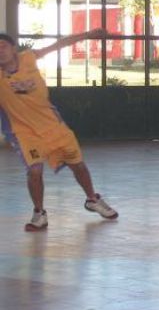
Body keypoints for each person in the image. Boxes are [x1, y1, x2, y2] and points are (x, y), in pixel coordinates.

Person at [0, 29, 119, 232]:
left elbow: (60, 44)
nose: (0, 51)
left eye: (2, 46)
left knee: (78, 165)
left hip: (53, 126)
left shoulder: (28, 57)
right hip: (24, 132)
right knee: (34, 171)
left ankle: (92, 199)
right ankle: (39, 213)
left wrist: (87, 34)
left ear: (13, 48)